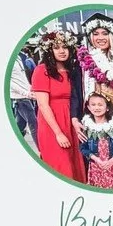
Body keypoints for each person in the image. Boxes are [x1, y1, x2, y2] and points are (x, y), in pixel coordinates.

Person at [29, 30, 82, 180]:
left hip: (70, 120)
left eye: (65, 47)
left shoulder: (71, 70)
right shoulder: (42, 71)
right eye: (57, 47)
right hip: (52, 123)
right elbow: (43, 105)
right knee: (61, 165)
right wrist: (58, 133)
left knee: (74, 164)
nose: (62, 51)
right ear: (49, 50)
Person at [76, 90, 113, 189]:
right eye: (93, 104)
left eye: (100, 105)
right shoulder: (87, 126)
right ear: (88, 107)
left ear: (107, 108)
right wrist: (96, 159)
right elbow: (83, 148)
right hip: (97, 167)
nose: (97, 107)